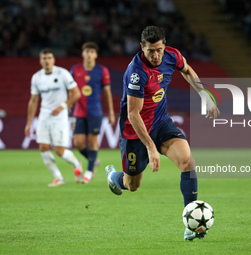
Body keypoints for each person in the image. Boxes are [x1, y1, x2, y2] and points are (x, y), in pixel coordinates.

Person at [104, 26, 219, 240]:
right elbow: (133, 114)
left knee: (188, 162)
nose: (156, 55)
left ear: (164, 46)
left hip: (161, 122)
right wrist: (150, 147)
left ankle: (190, 224)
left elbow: (187, 70)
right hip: (136, 133)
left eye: (159, 50)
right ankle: (113, 177)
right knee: (132, 185)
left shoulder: (171, 56)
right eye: (150, 51)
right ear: (142, 48)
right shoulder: (137, 73)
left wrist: (203, 93)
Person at [25, 48, 82, 187]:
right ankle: (58, 178)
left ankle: (76, 163)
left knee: (59, 150)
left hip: (60, 115)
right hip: (44, 115)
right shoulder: (36, 77)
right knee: (43, 147)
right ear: (40, 61)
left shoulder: (62, 73)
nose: (46, 61)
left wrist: (63, 105)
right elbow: (33, 100)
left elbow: (76, 93)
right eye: (44, 58)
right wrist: (29, 122)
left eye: (49, 58)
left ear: (53, 60)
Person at [71, 42, 115, 184]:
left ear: (95, 55)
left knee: (93, 142)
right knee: (78, 143)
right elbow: (71, 91)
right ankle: (94, 160)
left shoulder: (102, 70)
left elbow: (107, 92)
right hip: (79, 112)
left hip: (95, 111)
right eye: (86, 51)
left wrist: (112, 112)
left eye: (92, 52)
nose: (89, 54)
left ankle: (88, 173)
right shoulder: (75, 69)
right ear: (83, 54)